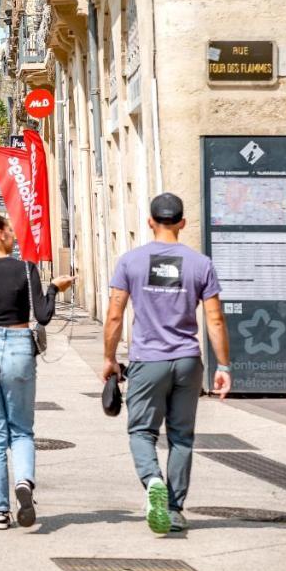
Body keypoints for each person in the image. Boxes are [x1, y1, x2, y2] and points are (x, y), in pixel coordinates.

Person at [104, 193, 232, 536]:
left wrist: (109, 359)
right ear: (182, 223)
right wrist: (224, 366)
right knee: (181, 436)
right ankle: (174, 509)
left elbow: (115, 315)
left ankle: (152, 481)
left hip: (148, 360)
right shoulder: (200, 263)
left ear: (150, 222)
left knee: (142, 431)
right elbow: (215, 319)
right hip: (188, 361)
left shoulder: (131, 262)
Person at [0, 213, 74, 530]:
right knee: (21, 430)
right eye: (7, 229)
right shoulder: (25, 268)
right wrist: (53, 288)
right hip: (19, 347)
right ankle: (23, 481)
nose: (12, 233)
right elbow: (45, 316)